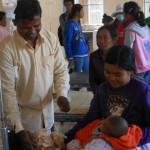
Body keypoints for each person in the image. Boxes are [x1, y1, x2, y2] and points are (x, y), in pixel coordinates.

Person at [0, 0, 70, 149]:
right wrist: (18, 129)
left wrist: (62, 93)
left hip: (49, 118)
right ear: (16, 22)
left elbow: (60, 70)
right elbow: (8, 91)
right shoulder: (7, 48)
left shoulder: (50, 39)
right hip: (24, 123)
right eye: (25, 27)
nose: (32, 31)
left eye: (37, 26)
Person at [65, 45, 150, 149]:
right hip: (105, 138)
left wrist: (131, 138)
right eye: (107, 72)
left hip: (133, 142)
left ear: (130, 71)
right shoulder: (103, 89)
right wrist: (67, 137)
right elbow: (90, 117)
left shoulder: (142, 91)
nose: (112, 78)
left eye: (118, 74)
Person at [67, 116, 142, 150]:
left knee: (70, 145)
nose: (101, 122)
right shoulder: (128, 140)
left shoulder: (100, 142)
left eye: (103, 124)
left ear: (105, 131)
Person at [124, 1, 150, 84]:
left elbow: (127, 51)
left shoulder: (130, 30)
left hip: (138, 68)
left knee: (138, 92)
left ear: (127, 15)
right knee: (146, 90)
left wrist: (128, 68)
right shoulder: (145, 26)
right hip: (148, 64)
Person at [89, 25, 117, 93]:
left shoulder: (121, 55)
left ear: (114, 39)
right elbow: (92, 80)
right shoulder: (94, 56)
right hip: (100, 94)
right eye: (99, 38)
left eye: (105, 37)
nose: (101, 41)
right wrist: (98, 93)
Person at [64, 4, 90, 72]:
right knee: (77, 77)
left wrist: (88, 41)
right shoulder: (70, 24)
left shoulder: (78, 24)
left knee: (86, 76)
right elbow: (67, 42)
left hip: (84, 54)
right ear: (76, 12)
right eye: (82, 11)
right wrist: (70, 57)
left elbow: (81, 36)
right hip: (77, 55)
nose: (83, 13)